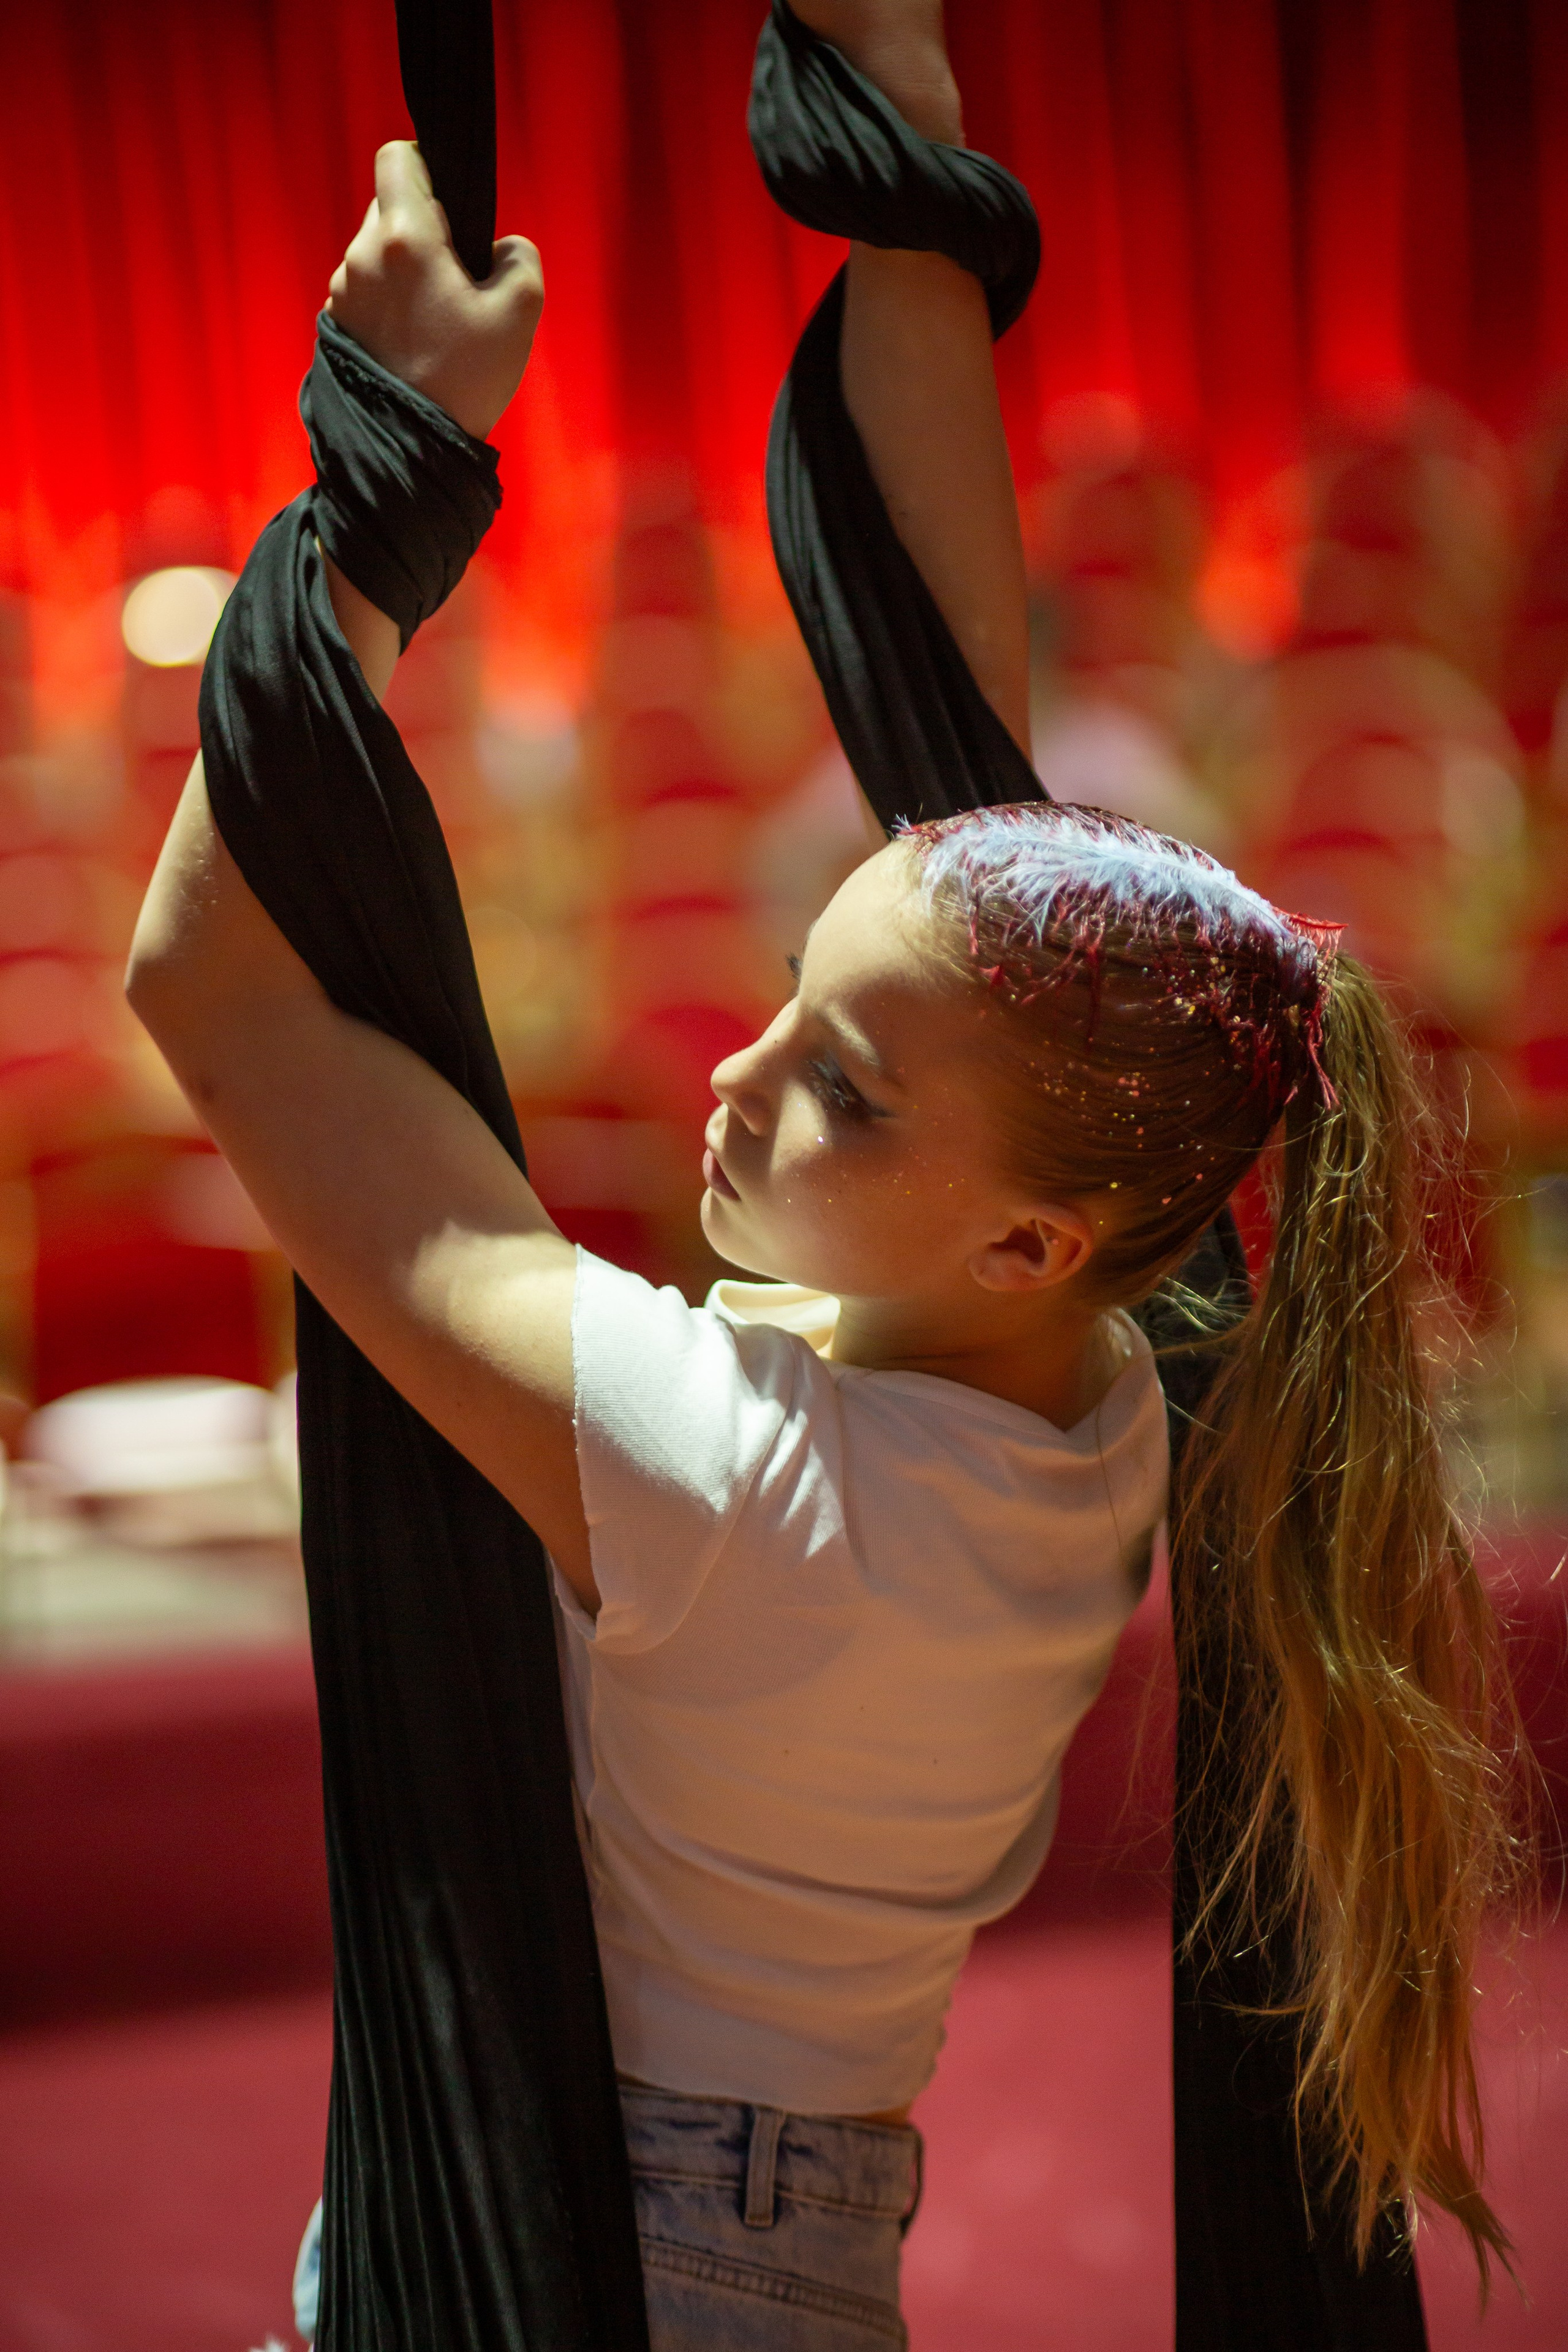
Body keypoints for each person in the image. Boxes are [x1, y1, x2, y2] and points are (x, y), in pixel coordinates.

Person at [127, 3, 1514, 2343]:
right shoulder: (1107, 1392)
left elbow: (218, 996)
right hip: (775, 2250)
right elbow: (958, 711)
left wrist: (385, 474)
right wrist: (898, 135)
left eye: (845, 1088)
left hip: (617, 2243)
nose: (742, 1075)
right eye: (790, 983)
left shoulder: (726, 1474)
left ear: (1024, 1228)